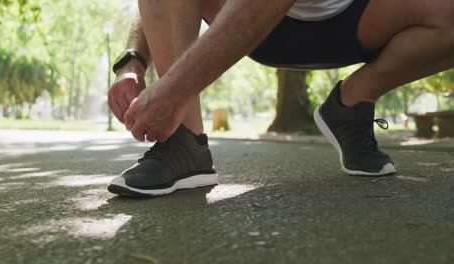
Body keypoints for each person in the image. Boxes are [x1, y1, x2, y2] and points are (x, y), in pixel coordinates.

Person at [107, 0, 454, 197]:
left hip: (358, 18)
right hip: (249, 23)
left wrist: (173, 90)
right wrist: (132, 60)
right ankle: (183, 142)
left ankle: (351, 104)